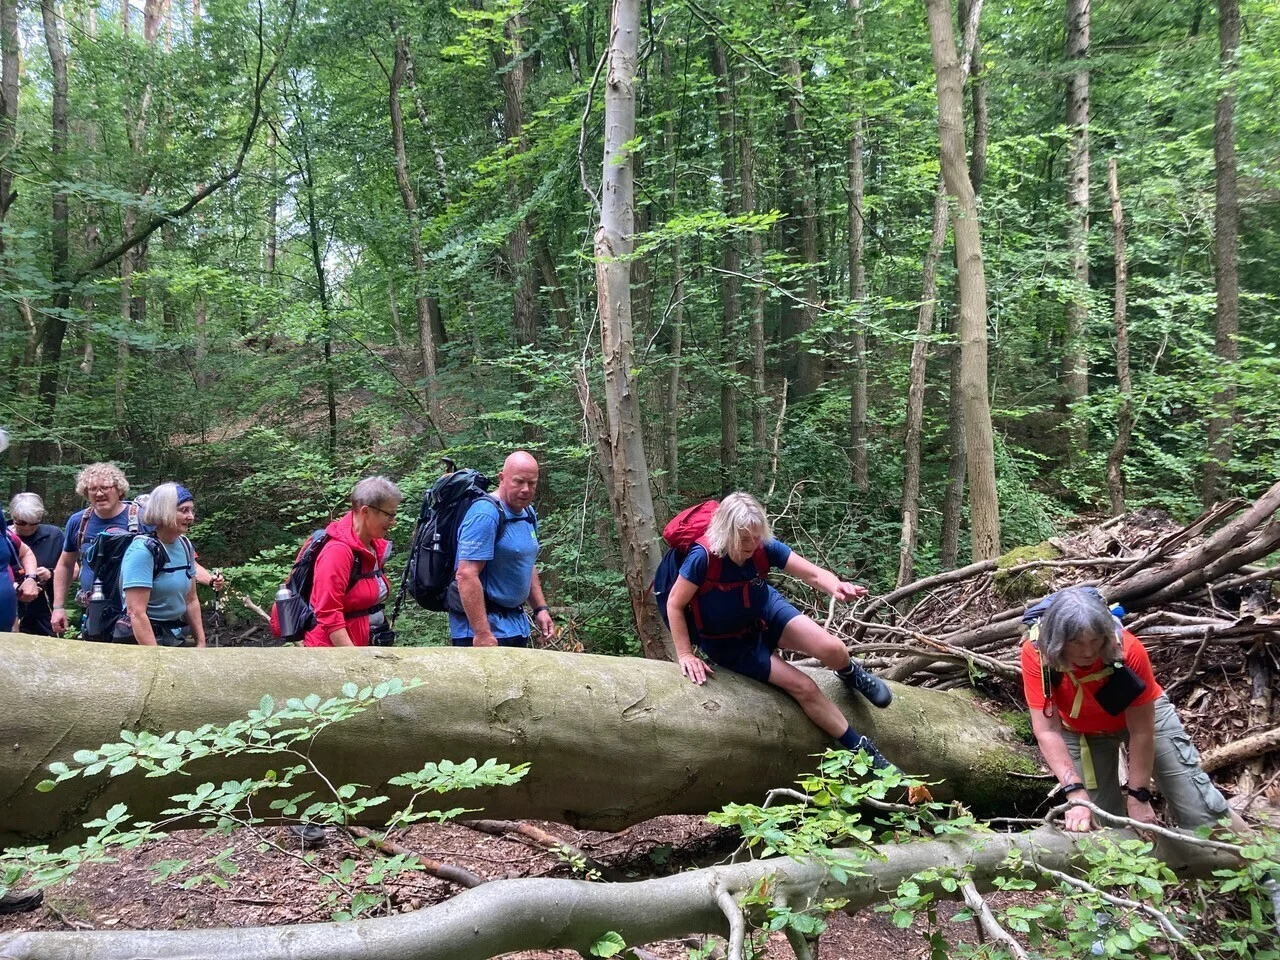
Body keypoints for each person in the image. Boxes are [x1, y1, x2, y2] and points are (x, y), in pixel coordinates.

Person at [666, 492, 894, 766]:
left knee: (832, 647)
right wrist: (685, 654)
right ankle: (862, 750)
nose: (752, 544)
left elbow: (811, 573)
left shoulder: (763, 546)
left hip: (765, 610)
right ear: (726, 532)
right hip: (731, 643)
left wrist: (837, 585)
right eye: (744, 538)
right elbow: (675, 604)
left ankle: (851, 674)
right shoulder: (702, 558)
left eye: (756, 536)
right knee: (805, 687)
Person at [1021, 586, 1248, 833]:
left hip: (1147, 718)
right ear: (1057, 640)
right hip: (1081, 732)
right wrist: (1075, 795)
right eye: (1076, 642)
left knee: (1198, 804)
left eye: (1095, 640)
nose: (1088, 651)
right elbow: (1048, 731)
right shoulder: (1037, 655)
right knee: (1100, 821)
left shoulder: (1128, 649)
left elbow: (1141, 730)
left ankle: (1258, 865)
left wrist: (1139, 795)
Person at [448, 451, 555, 648]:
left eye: (532, 483)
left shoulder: (527, 513)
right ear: (501, 478)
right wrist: (482, 633)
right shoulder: (485, 514)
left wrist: (540, 608)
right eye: (519, 482)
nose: (526, 489)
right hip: (484, 632)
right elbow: (466, 574)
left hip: (515, 626)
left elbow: (524, 563)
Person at [302, 476, 400, 648]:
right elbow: (327, 612)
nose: (393, 522)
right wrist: (353, 659)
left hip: (365, 645)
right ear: (365, 511)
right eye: (389, 515)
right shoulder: (337, 552)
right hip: (335, 654)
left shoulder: (372, 546)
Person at [51, 462, 144, 635]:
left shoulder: (142, 518)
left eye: (105, 487)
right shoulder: (78, 522)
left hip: (137, 613)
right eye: (92, 489)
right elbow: (65, 565)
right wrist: (58, 607)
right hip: (94, 612)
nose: (99, 493)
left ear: (119, 490)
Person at [114, 483, 205, 648]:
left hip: (175, 634)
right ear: (165, 510)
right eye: (184, 510)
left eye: (191, 510)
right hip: (145, 639)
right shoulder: (142, 551)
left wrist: (201, 643)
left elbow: (191, 600)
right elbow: (136, 612)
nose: (191, 516)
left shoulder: (185, 545)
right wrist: (156, 658)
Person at [9, 493, 63, 635]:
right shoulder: (5, 538)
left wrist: (50, 573)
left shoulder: (54, 535)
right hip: (11, 608)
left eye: (33, 523)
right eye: (21, 522)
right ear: (12, 516)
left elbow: (73, 570)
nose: (27, 528)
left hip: (45, 610)